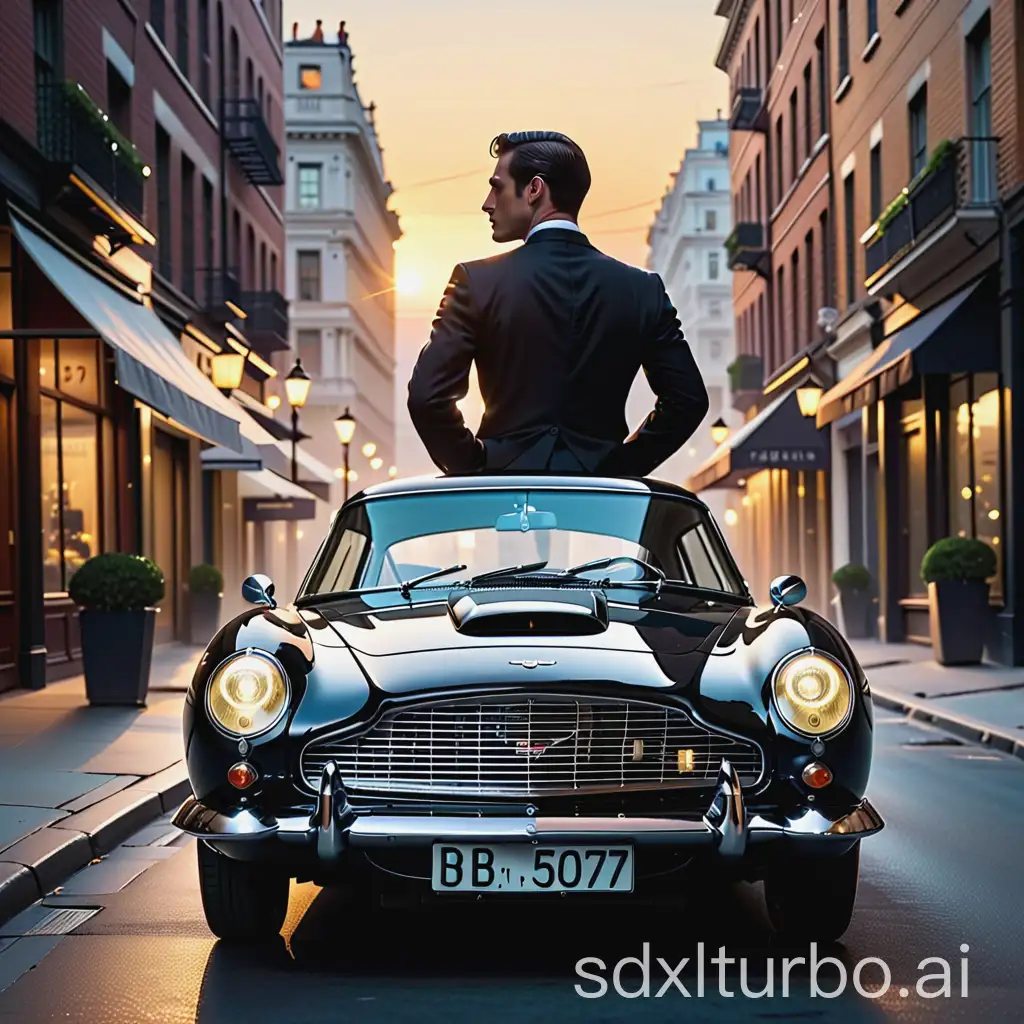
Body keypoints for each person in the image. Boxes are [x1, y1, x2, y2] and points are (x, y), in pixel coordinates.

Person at [407, 130, 709, 476]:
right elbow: (687, 400)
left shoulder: (476, 282)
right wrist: (620, 467)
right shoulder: (642, 290)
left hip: (503, 498)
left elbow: (426, 398)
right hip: (601, 503)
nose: (488, 202)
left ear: (535, 189)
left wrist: (477, 466)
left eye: (497, 186)